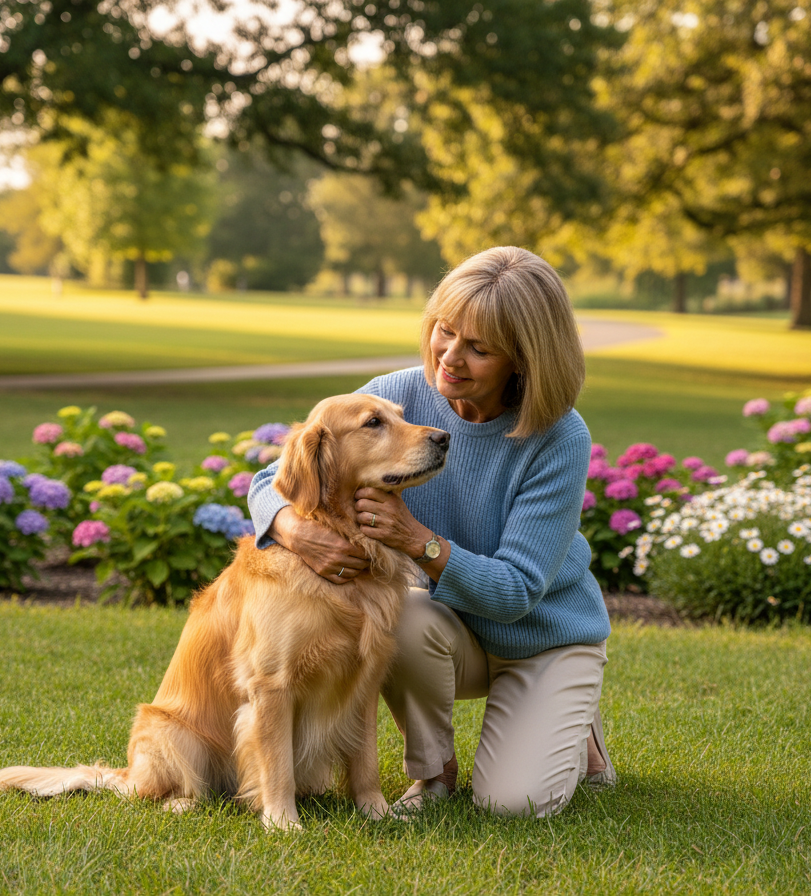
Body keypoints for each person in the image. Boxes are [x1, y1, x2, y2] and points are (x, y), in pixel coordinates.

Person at [247, 246, 613, 817]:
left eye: (479, 348)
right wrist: (292, 529)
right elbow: (274, 477)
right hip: (448, 623)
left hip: (542, 636)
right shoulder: (398, 395)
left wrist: (417, 541)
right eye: (445, 330)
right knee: (396, 612)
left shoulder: (559, 437)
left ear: (523, 359)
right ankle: (433, 770)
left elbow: (516, 592)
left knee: (513, 804)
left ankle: (576, 723)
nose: (450, 357)